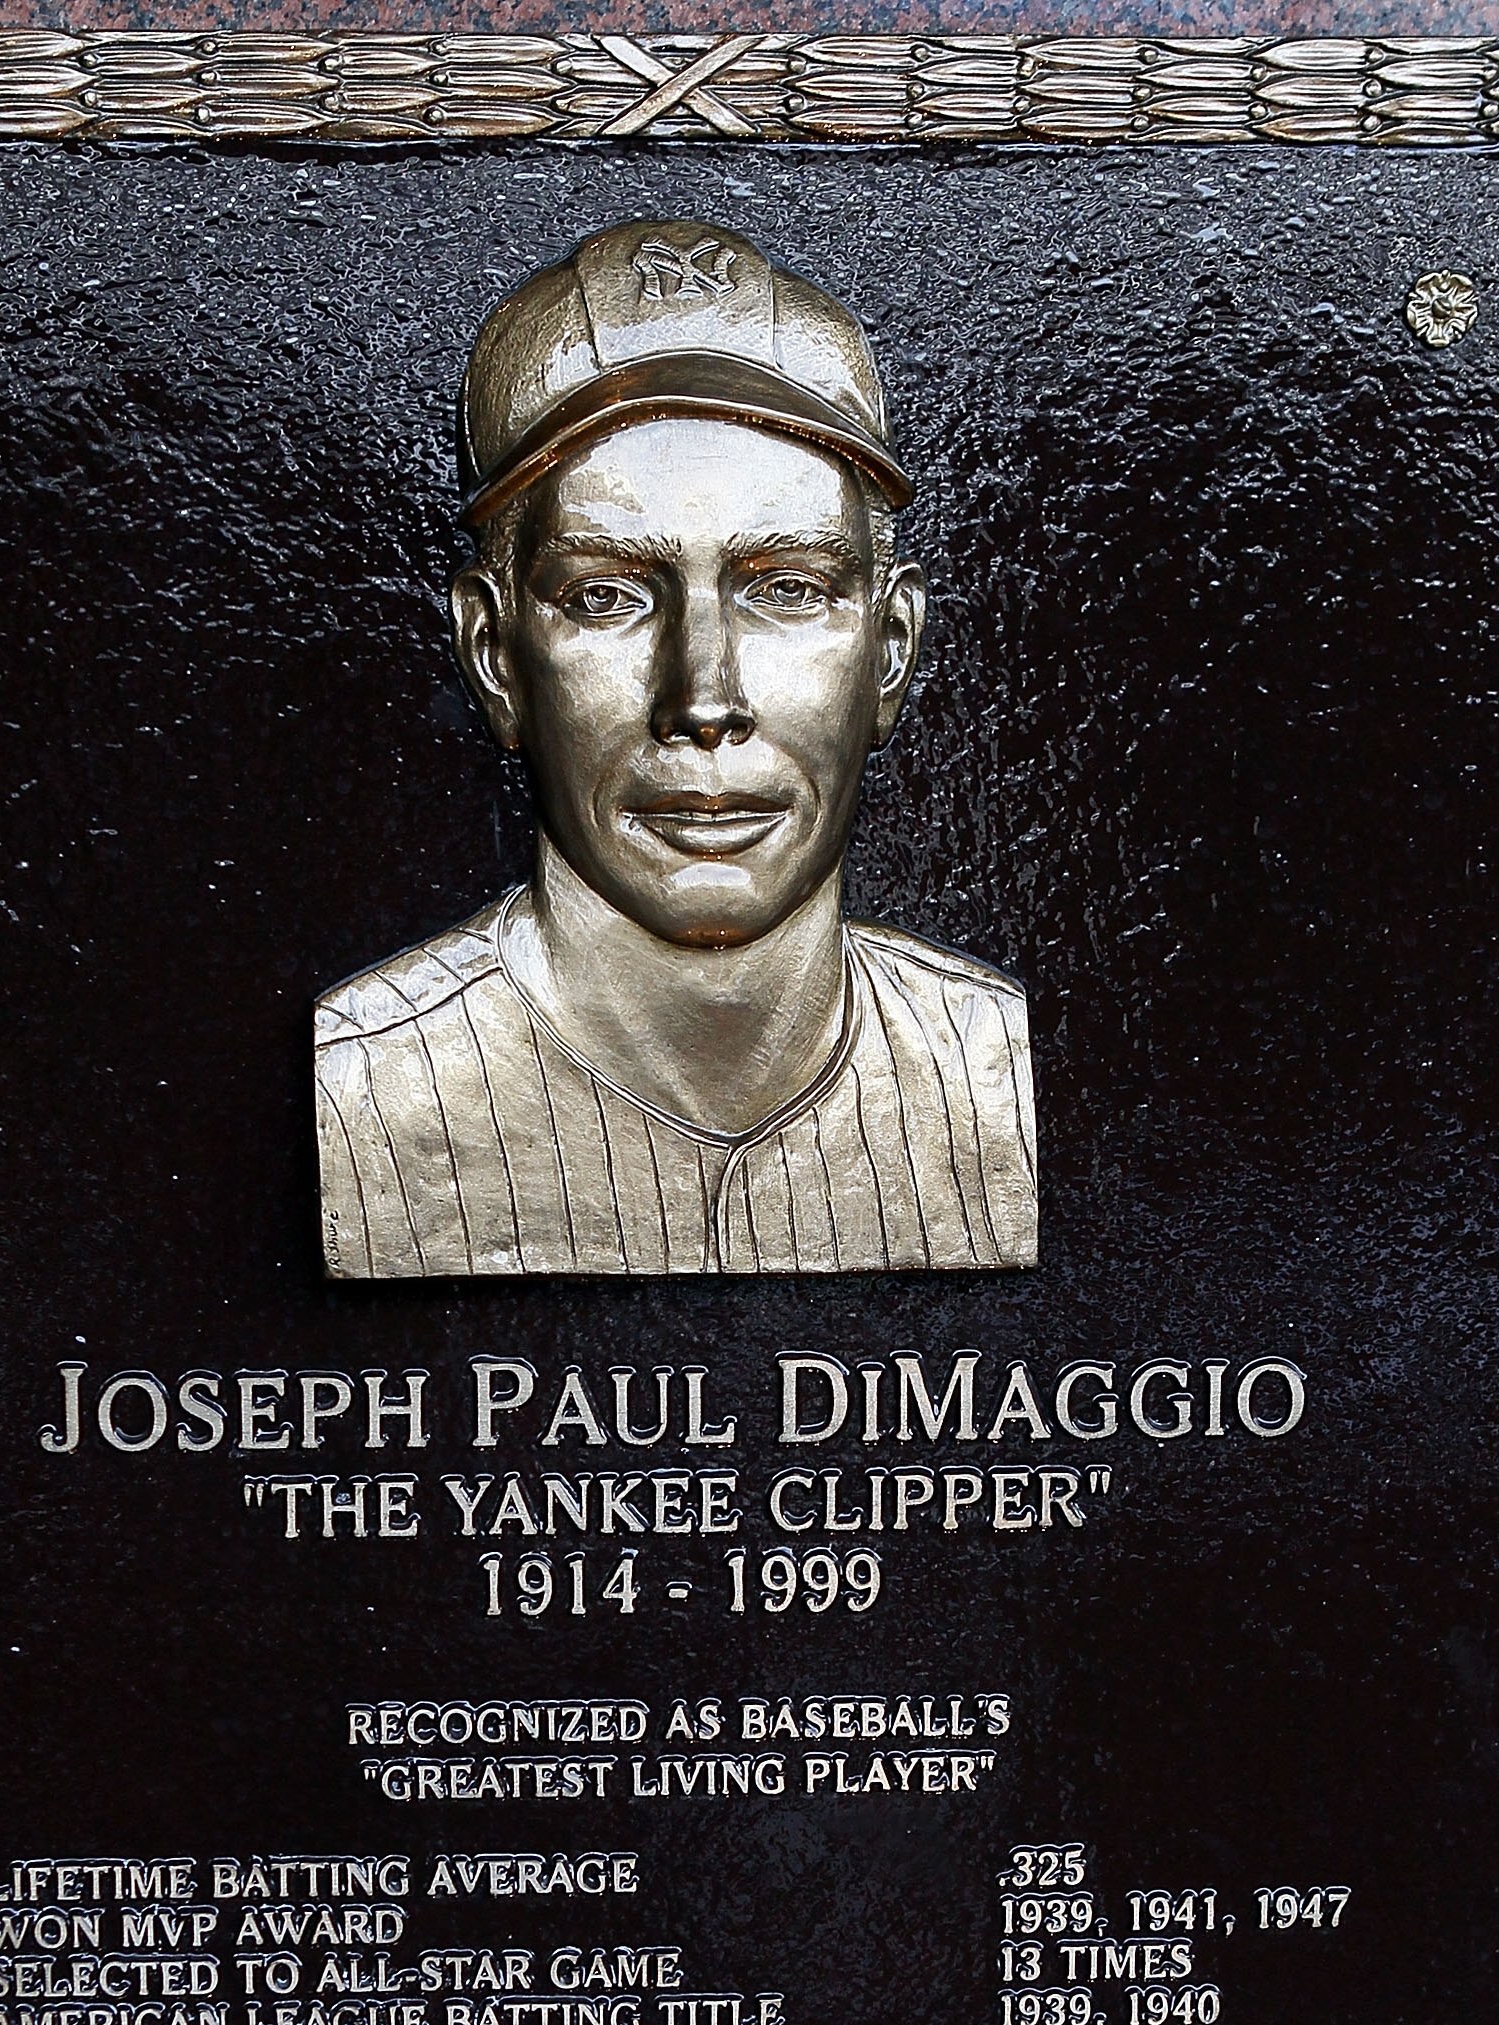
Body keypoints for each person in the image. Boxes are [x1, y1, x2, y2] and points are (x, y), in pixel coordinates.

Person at [313, 218, 1037, 1280]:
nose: (703, 698)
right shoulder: (365, 1085)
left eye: (786, 591)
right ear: (496, 655)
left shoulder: (989, 1070)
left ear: (888, 650)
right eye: (606, 597)